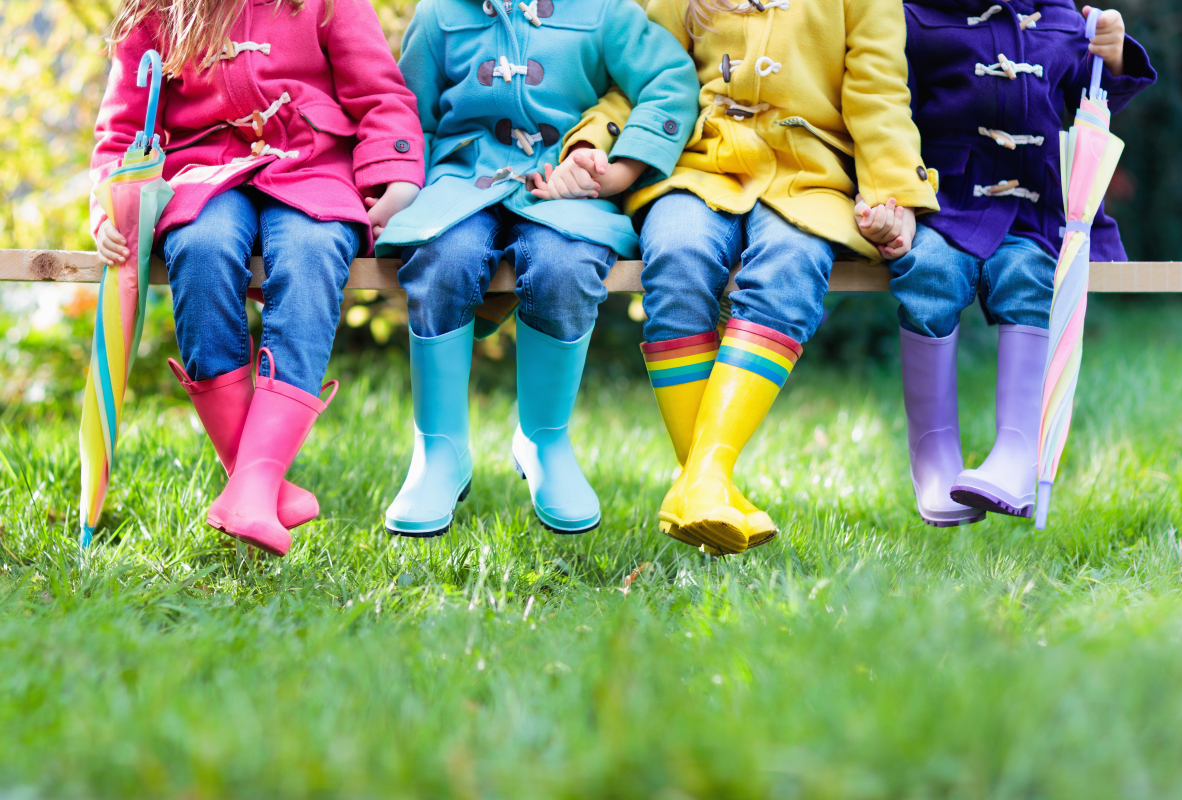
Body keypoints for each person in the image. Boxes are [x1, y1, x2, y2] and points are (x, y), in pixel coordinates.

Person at [569, 0, 940, 554]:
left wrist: (894, 196)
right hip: (697, 165)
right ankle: (707, 484)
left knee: (791, 268)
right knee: (676, 255)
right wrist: (593, 141)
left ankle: (701, 478)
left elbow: (879, 96)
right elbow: (639, 77)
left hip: (807, 176)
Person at [92, 0, 425, 556]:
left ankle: (251, 484)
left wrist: (395, 176)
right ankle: (257, 482)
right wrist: (109, 207)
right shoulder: (158, 11)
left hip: (312, 163)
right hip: (204, 170)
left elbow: (379, 94)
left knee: (312, 249)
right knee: (200, 246)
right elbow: (122, 126)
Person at [374, 0, 699, 538]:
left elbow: (669, 79)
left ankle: (544, 438)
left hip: (563, 192)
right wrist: (403, 182)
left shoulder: (604, 12)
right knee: (442, 259)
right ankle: (439, 449)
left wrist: (618, 171)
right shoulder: (440, 15)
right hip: (459, 184)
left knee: (563, 265)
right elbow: (408, 111)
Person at [891, 0, 1155, 525]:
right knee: (930, 272)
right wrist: (893, 196)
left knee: (1030, 277)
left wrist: (1114, 53)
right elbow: (890, 113)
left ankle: (1017, 453)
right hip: (949, 204)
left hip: (1034, 208)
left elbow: (1093, 90)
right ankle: (935, 456)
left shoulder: (1060, 18)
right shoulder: (917, 17)